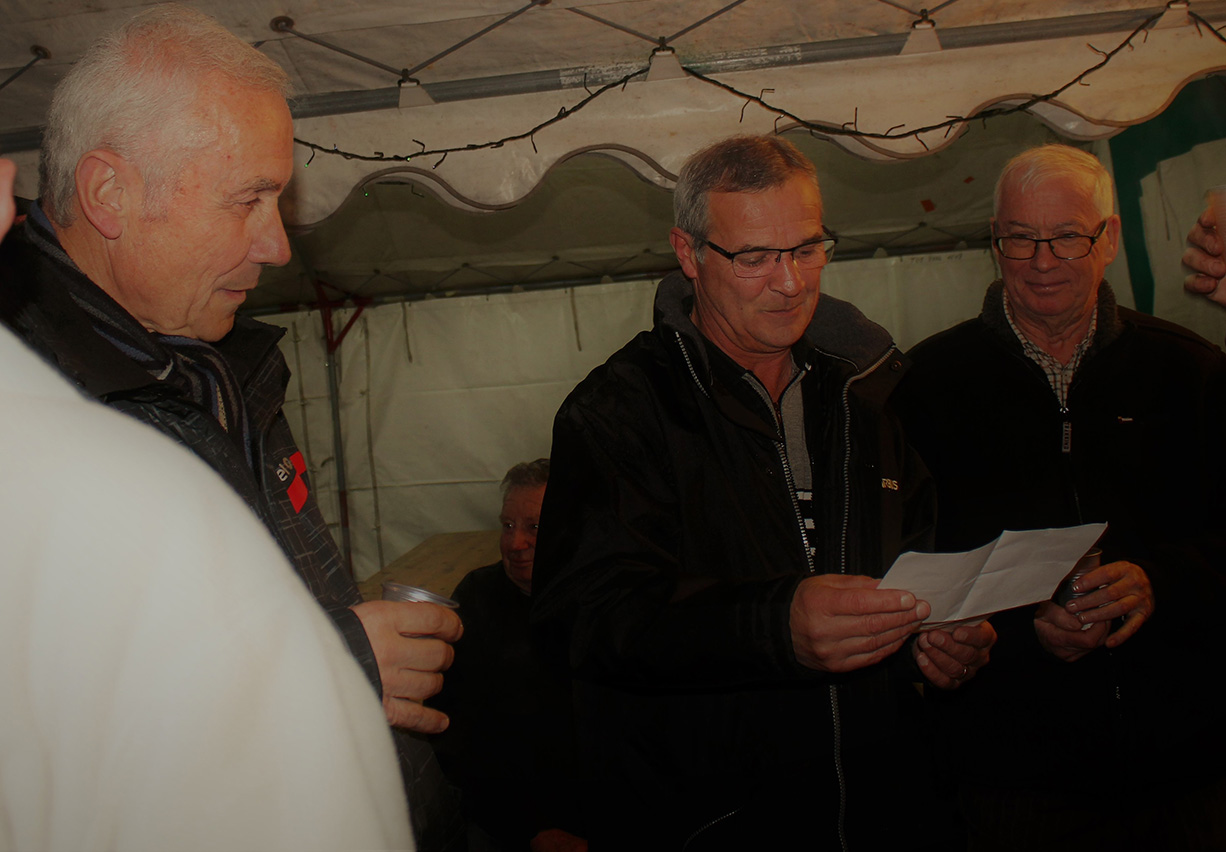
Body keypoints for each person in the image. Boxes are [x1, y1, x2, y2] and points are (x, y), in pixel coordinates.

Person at [0, 7, 462, 848]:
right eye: (249, 199)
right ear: (109, 194)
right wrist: (329, 664)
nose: (278, 245)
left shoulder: (216, 363)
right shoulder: (29, 406)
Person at [531, 135, 995, 850]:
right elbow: (587, 620)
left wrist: (937, 638)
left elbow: (919, 556)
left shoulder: (865, 396)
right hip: (717, 824)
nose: (790, 282)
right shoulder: (620, 412)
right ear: (688, 255)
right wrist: (774, 626)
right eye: (754, 258)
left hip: (886, 814)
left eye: (808, 248)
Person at [896, 144, 1226, 850]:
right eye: (1021, 238)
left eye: (1068, 236)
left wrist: (1158, 581)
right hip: (1009, 777)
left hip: (1185, 767)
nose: (1043, 261)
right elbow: (904, 567)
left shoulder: (1188, 370)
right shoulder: (924, 387)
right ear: (995, 240)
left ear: (1109, 238)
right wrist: (1017, 624)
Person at [429, 460, 587, 852]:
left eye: (534, 527)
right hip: (507, 822)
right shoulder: (478, 596)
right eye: (508, 525)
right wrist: (528, 827)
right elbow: (457, 732)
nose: (515, 543)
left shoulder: (602, 599)